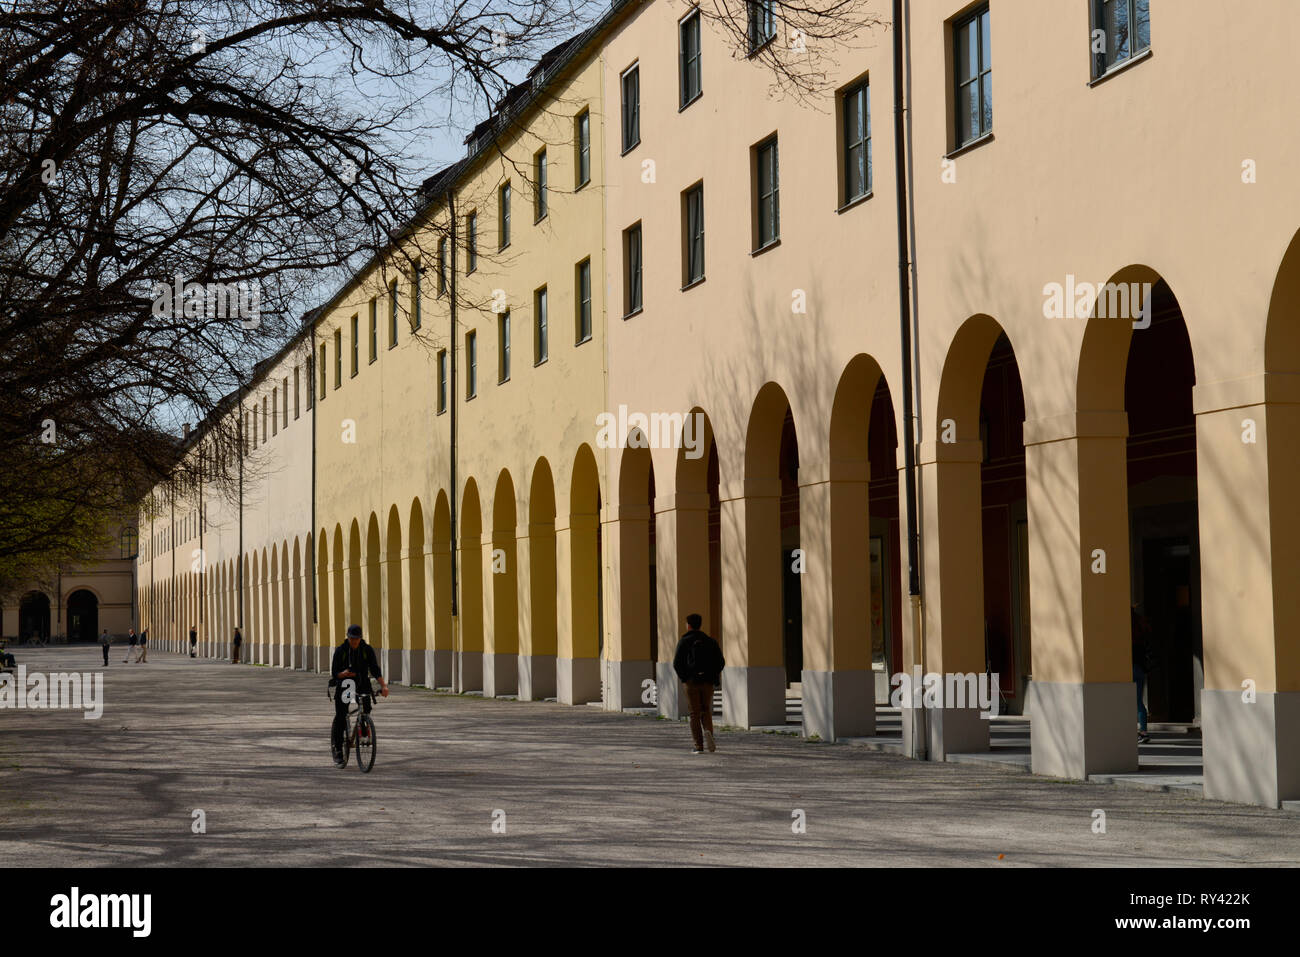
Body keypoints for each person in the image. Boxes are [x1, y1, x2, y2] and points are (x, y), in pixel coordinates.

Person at [331, 624, 389, 767]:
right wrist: (342, 674)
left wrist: (383, 685)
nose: (354, 642)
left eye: (356, 639)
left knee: (366, 709)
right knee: (341, 715)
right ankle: (338, 749)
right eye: (352, 639)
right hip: (346, 684)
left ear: (360, 638)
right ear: (348, 637)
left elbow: (375, 669)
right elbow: (334, 672)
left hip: (363, 683)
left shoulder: (366, 650)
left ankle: (363, 731)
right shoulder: (341, 651)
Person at [672, 613, 724, 754]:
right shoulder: (710, 641)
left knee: (694, 713)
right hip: (707, 682)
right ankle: (708, 733)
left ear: (688, 625)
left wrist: (685, 678)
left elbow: (677, 663)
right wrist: (712, 676)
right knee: (706, 710)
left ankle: (698, 745)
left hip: (691, 682)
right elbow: (720, 662)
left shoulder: (684, 641)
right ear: (700, 625)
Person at [1132, 606, 1151, 744]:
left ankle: (1139, 732)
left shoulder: (1127, 631)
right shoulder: (1141, 625)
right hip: (1140, 667)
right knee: (1138, 701)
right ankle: (1143, 731)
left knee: (1131, 701)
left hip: (1130, 667)